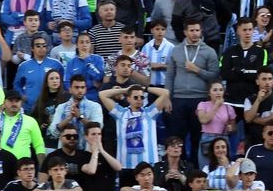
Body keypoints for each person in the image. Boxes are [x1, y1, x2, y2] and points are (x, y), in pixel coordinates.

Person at [166, 19, 220, 162]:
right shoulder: (176, 50)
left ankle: (196, 168)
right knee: (177, 138)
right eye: (192, 30)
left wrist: (197, 70)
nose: (195, 33)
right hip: (178, 99)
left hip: (200, 99)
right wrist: (167, 97)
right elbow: (170, 75)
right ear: (185, 32)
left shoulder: (209, 51)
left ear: (201, 31)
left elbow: (215, 76)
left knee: (197, 137)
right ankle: (180, 167)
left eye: (197, 30)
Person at [99, 83, 171, 169]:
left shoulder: (150, 113)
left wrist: (144, 88)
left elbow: (165, 93)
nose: (139, 99)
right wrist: (125, 90)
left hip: (148, 164)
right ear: (128, 99)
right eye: (135, 97)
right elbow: (102, 94)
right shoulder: (120, 113)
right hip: (125, 165)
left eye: (142, 97)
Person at [0, 90, 45, 167]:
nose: (14, 104)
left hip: (23, 167)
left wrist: (43, 168)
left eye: (17, 101)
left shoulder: (30, 121)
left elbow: (39, 145)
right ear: (4, 103)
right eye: (11, 101)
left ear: (21, 103)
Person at [197, 81, 235, 169]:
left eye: (221, 90)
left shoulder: (228, 107)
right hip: (207, 139)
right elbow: (203, 120)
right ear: (209, 93)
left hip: (223, 139)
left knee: (224, 167)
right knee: (205, 167)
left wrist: (231, 128)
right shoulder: (203, 105)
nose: (218, 92)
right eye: (215, 90)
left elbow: (234, 128)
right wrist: (216, 106)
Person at [80, 121, 121, 191]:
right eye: (93, 134)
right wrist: (95, 151)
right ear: (86, 137)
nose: (97, 137)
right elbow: (91, 170)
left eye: (99, 134)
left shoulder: (107, 154)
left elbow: (118, 167)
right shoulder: (81, 155)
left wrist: (102, 151)